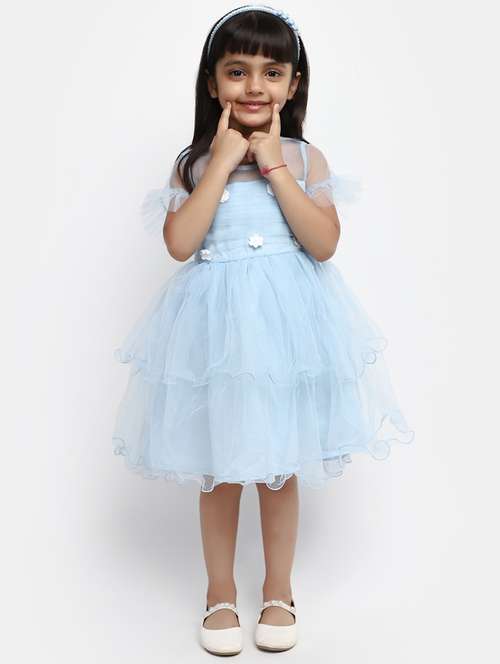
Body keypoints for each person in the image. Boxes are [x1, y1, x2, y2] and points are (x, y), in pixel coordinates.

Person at [112, 4, 415, 656]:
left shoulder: (303, 158)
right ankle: (219, 592)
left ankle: (279, 590)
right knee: (219, 468)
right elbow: (180, 243)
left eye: (272, 72)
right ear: (212, 82)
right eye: (237, 71)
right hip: (217, 339)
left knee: (279, 466)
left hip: (284, 338)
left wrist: (274, 165)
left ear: (293, 85)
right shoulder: (195, 164)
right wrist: (222, 162)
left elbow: (323, 243)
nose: (254, 86)